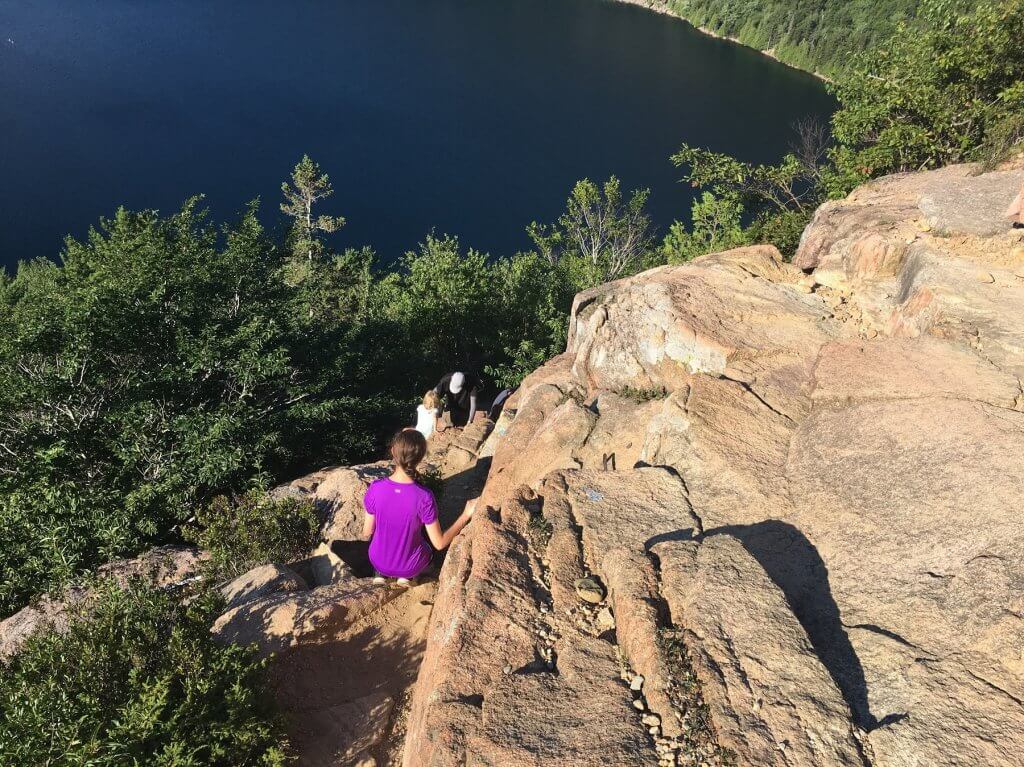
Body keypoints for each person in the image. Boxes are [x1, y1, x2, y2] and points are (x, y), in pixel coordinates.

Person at [362, 429, 475, 585]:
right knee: (426, 546)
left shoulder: (375, 488)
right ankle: (406, 577)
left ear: (393, 451)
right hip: (409, 566)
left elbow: (367, 532)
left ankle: (380, 573)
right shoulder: (424, 496)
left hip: (377, 560)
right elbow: (439, 543)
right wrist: (465, 515)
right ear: (421, 457)